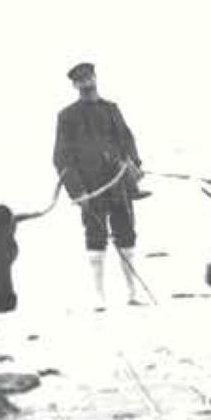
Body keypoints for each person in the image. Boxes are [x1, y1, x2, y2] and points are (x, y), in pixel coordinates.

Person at [53, 62, 151, 311]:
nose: (86, 83)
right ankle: (99, 297)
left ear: (95, 78)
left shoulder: (111, 109)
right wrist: (78, 192)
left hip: (118, 185)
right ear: (75, 85)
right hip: (90, 188)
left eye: (89, 77)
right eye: (80, 80)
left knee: (126, 235)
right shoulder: (67, 117)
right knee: (95, 239)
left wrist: (134, 166)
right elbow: (61, 158)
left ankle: (133, 293)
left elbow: (128, 140)